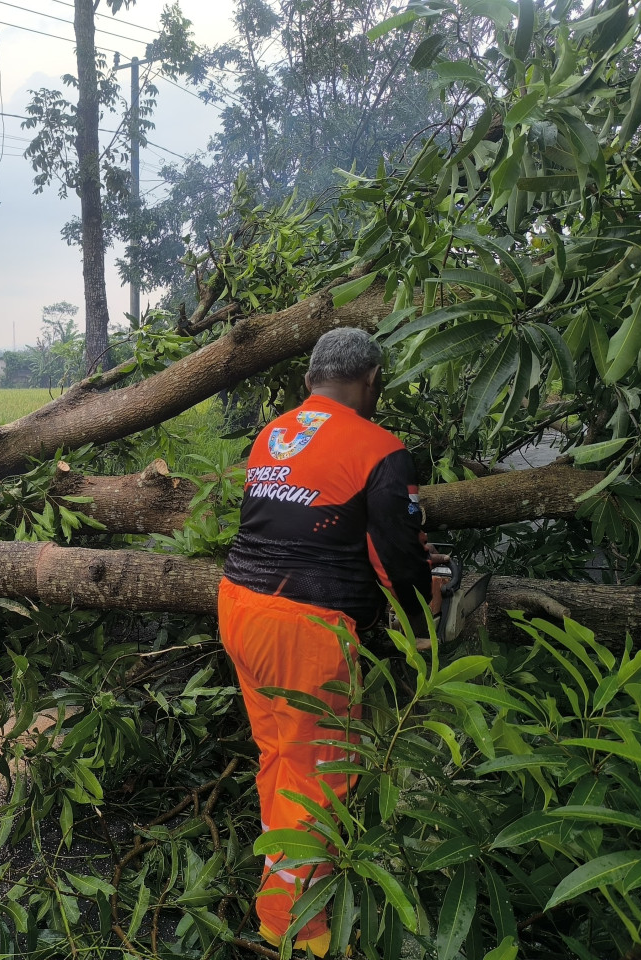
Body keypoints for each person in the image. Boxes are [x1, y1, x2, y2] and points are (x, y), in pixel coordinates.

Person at [217, 327, 437, 954]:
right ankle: (301, 932)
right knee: (321, 776)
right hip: (304, 627)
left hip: (240, 607)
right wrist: (421, 631)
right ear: (371, 381)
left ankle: (276, 883)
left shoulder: (273, 434)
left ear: (309, 380)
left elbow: (301, 523)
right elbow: (395, 553)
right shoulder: (379, 448)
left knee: (280, 756)